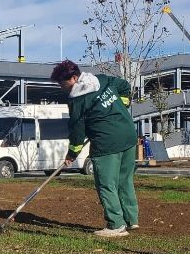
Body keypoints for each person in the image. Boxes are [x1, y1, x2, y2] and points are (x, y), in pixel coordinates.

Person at [52, 60, 139, 237]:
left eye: (63, 83)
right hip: (128, 135)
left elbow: (77, 131)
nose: (62, 87)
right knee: (124, 180)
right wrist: (122, 104)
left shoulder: (77, 101)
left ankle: (116, 225)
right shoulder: (102, 80)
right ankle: (131, 219)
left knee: (106, 184)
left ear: (74, 78)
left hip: (106, 143)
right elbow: (124, 85)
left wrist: (72, 154)